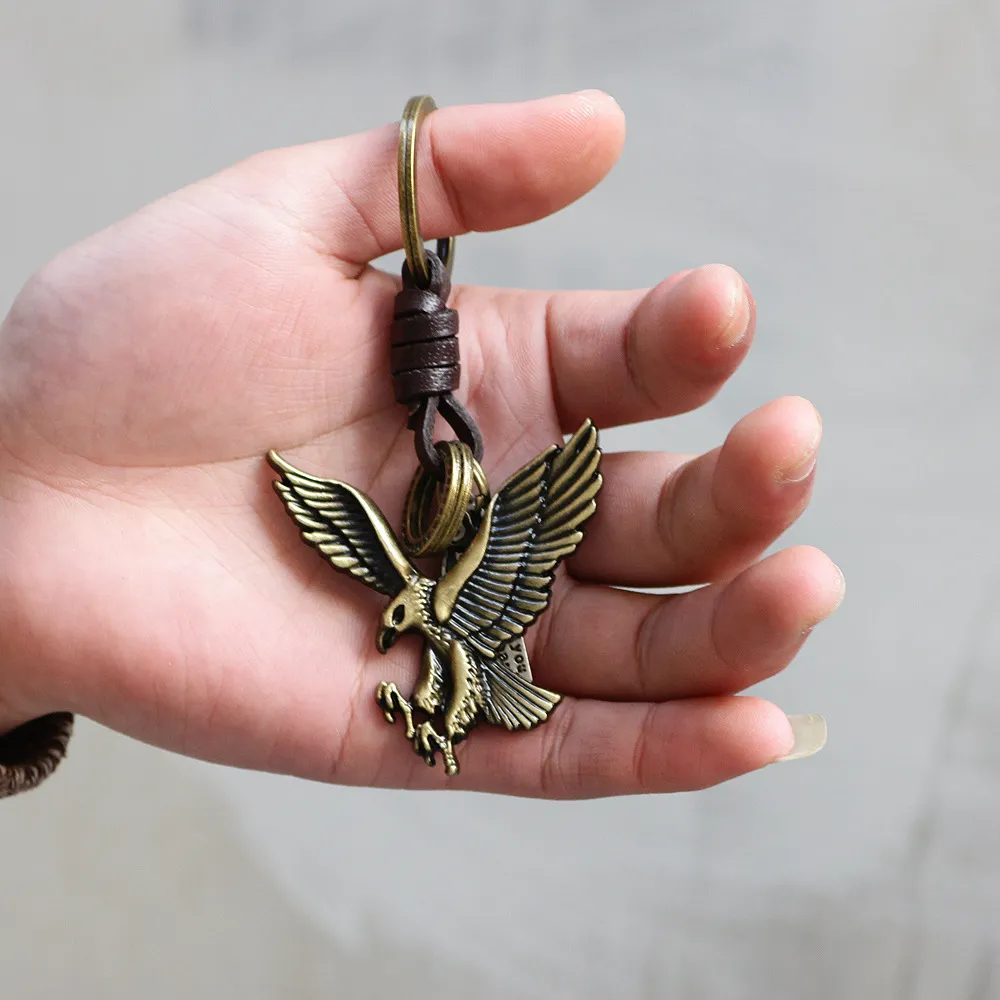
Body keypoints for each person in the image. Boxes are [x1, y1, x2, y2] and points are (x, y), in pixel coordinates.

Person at [0, 91, 842, 799]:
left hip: (485, 674)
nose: (390, 624)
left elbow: (488, 555)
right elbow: (373, 553)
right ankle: (436, 721)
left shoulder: (454, 592)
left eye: (396, 616)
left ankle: (441, 720)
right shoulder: (418, 598)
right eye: (397, 615)